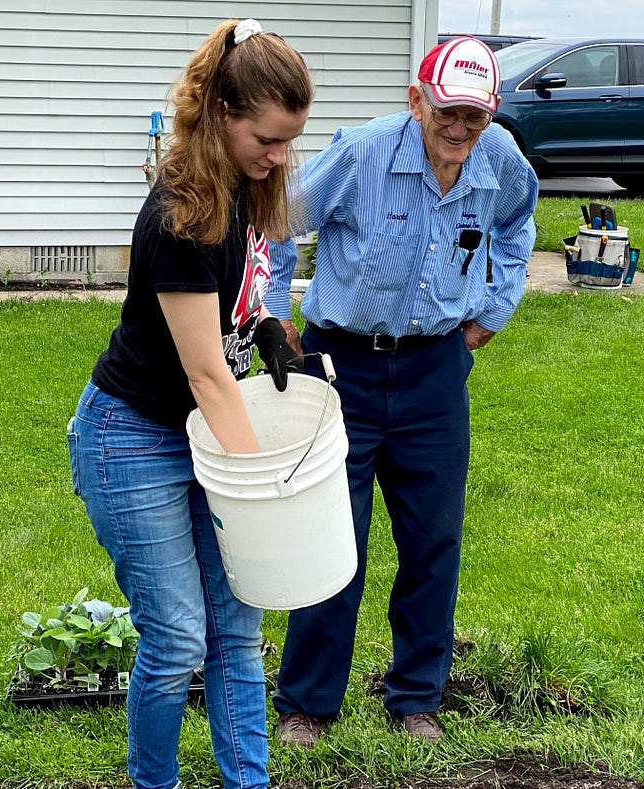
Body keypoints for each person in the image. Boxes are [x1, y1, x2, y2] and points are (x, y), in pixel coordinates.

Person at [264, 35, 538, 746]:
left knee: (432, 539)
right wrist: (275, 311)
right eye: (446, 111)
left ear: (491, 114)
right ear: (417, 100)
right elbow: (276, 222)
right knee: (332, 539)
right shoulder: (362, 154)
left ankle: (417, 696)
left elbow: (516, 227)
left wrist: (489, 316)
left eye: (472, 118)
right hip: (343, 365)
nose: (457, 130)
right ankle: (307, 704)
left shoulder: (500, 158)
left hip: (434, 371)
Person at [66, 19, 312, 789]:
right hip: (133, 437)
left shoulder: (247, 190)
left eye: (288, 142)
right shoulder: (180, 211)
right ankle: (154, 782)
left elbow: (237, 298)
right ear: (223, 116)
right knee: (176, 638)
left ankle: (249, 783)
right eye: (268, 140)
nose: (280, 158)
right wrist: (263, 484)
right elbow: (207, 374)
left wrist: (266, 320)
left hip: (206, 432)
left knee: (236, 632)